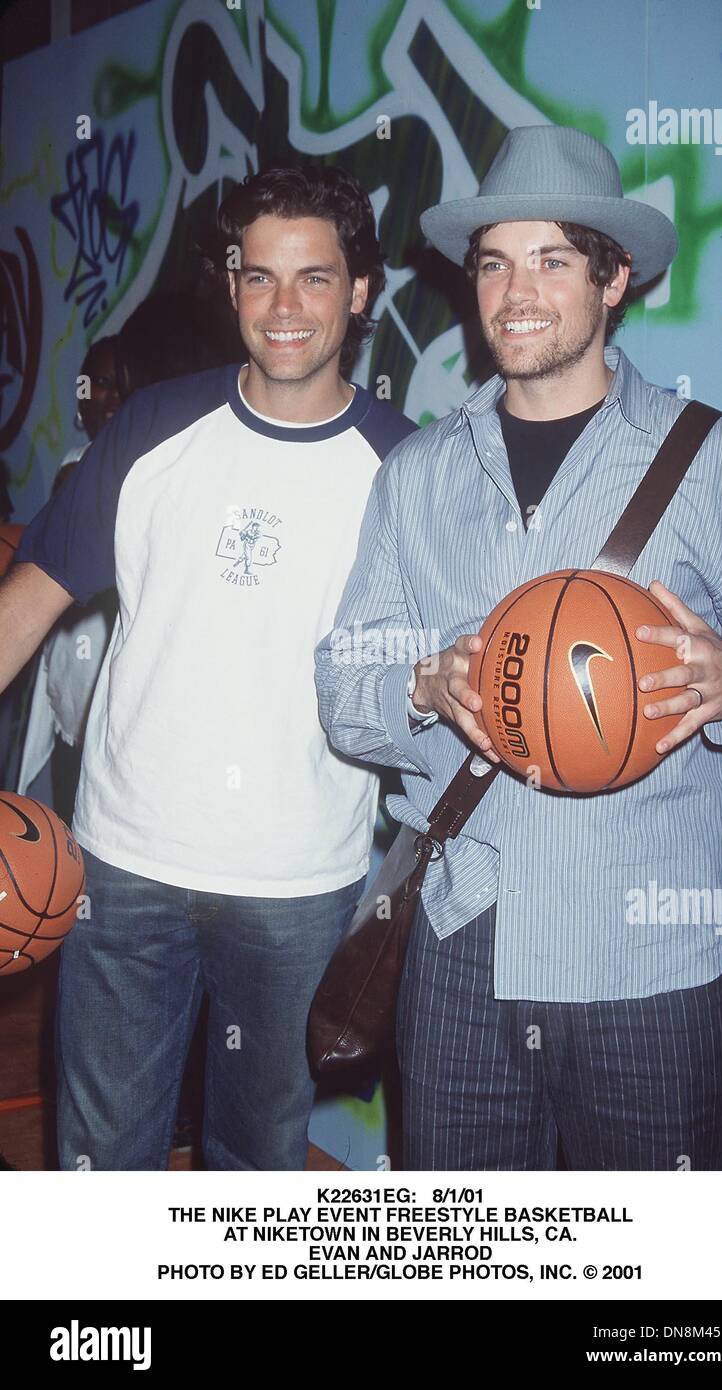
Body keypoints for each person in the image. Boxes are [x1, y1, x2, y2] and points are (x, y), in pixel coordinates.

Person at [315, 125, 722, 1171]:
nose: (516, 289)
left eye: (553, 260)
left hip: (648, 959)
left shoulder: (716, 464)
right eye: (495, 262)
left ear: (613, 279)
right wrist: (422, 683)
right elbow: (344, 687)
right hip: (463, 948)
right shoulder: (419, 474)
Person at [1, 164, 415, 1170]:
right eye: (258, 275)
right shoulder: (151, 431)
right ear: (231, 285)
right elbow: (27, 604)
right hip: (125, 864)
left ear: (359, 292)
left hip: (297, 885)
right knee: (101, 1158)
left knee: (255, 1165)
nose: (283, 307)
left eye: (313, 279)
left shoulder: (406, 467)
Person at [18, 337, 121, 823]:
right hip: (70, 702)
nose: (108, 397)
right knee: (62, 836)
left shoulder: (141, 474)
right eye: (98, 383)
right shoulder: (74, 464)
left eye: (121, 385)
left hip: (111, 714)